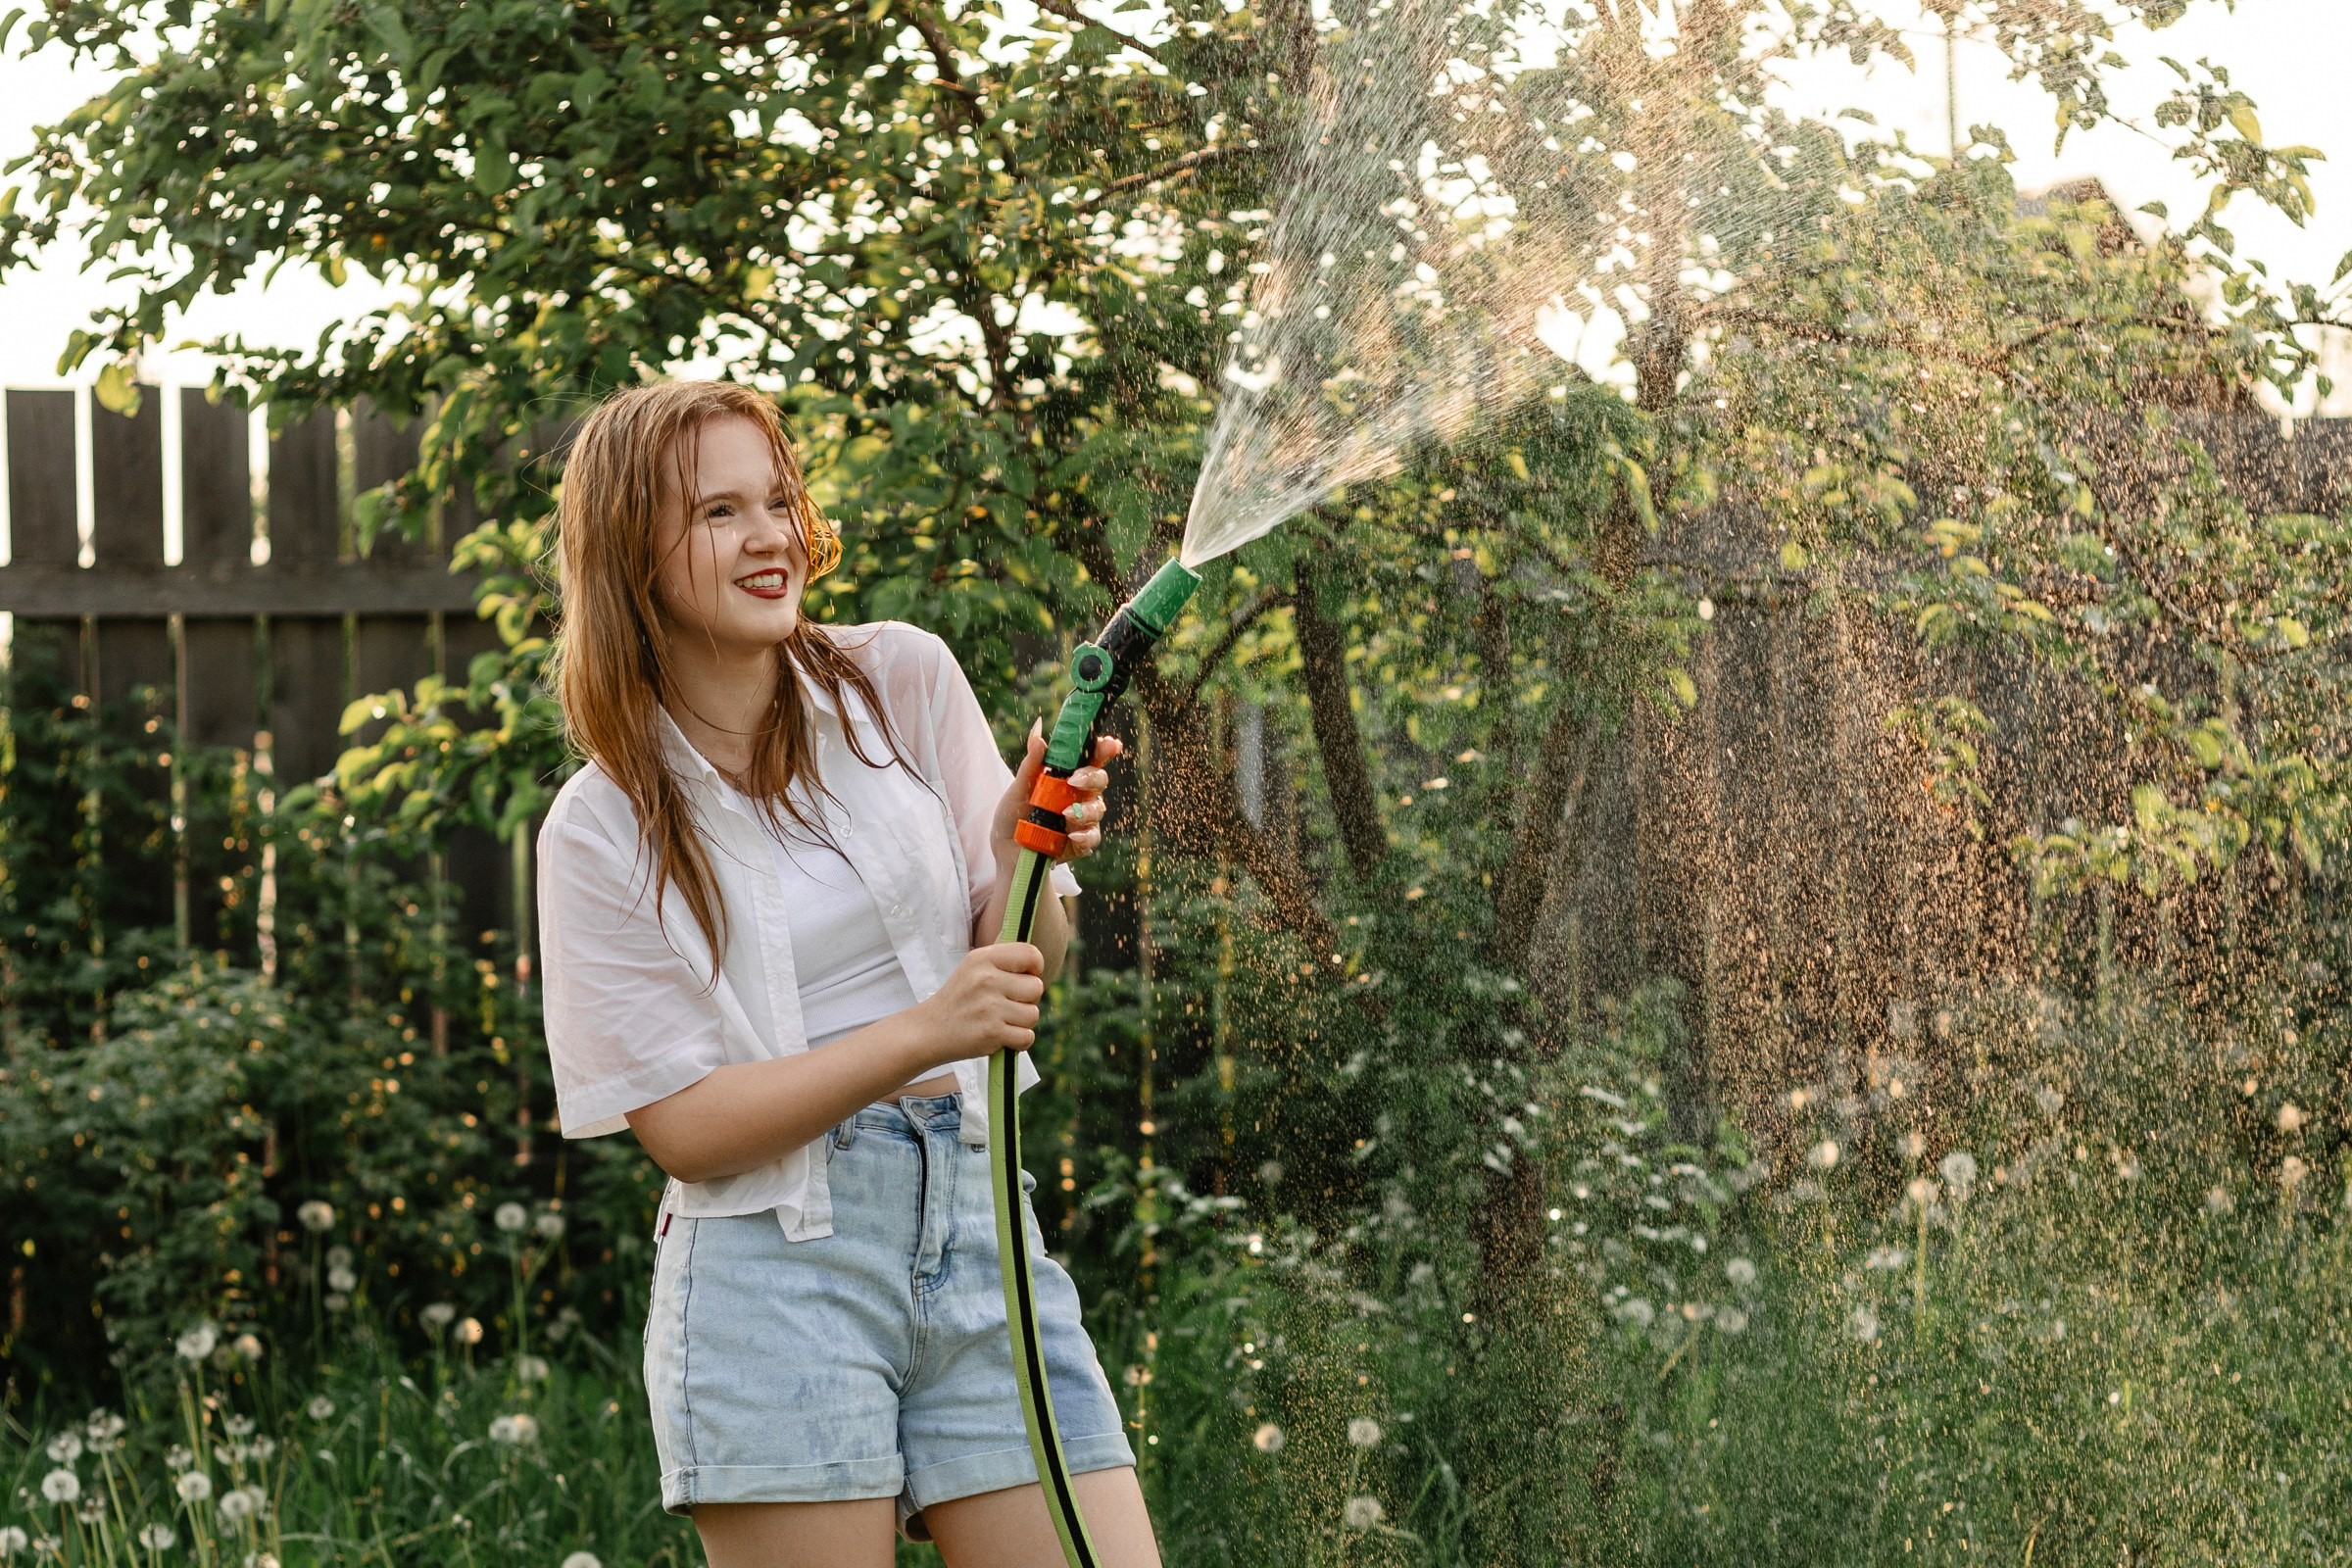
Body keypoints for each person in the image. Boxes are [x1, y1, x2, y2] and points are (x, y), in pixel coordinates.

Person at [535, 380, 1160, 1567]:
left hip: (981, 1226)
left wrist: (1012, 851)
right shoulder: (601, 825)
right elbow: (683, 1128)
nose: (771, 536)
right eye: (720, 512)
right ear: (630, 554)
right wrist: (925, 1032)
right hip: (775, 1270)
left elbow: (1023, 963)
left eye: (776, 499)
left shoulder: (901, 681)